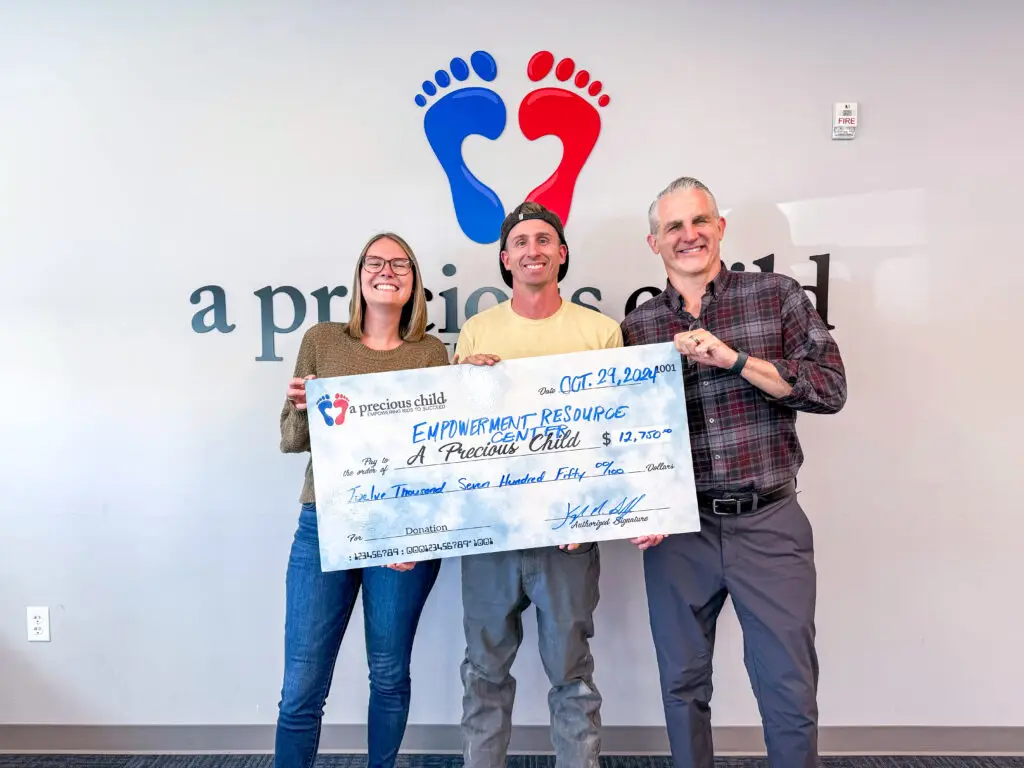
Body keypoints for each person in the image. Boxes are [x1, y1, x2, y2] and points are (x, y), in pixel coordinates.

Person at [620, 177, 847, 768]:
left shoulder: (777, 296)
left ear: (720, 228)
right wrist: (634, 504)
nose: (688, 235)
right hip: (679, 533)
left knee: (788, 688)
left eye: (699, 222)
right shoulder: (638, 327)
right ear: (654, 243)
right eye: (674, 227)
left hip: (770, 522)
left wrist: (736, 360)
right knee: (681, 686)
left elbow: (830, 389)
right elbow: (620, 438)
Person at [453, 201, 623, 768]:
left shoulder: (601, 332)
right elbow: (460, 437)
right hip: (491, 534)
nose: (533, 250)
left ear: (562, 254)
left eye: (544, 240)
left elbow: (615, 437)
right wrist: (464, 386)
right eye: (521, 242)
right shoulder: (477, 330)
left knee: (572, 677)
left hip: (568, 540)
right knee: (483, 673)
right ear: (506, 259)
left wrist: (594, 517)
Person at [275, 232, 450, 768]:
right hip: (325, 523)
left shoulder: (430, 353)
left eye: (400, 264)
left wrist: (420, 529)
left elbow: (442, 451)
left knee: (390, 673)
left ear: (415, 282)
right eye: (375, 262)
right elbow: (290, 439)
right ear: (359, 276)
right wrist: (303, 407)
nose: (387, 270)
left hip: (401, 529)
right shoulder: (323, 341)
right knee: (302, 685)